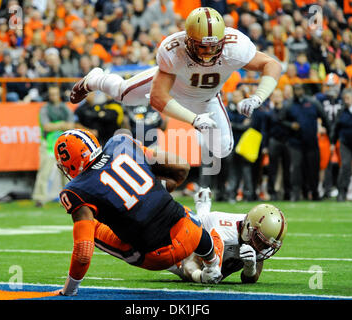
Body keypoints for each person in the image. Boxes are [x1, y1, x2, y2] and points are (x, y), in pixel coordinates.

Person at [69, 7, 281, 161]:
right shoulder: (174, 49)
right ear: (188, 40)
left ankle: (201, 139)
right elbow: (157, 98)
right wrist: (194, 119)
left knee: (223, 149)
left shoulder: (236, 46)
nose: (208, 54)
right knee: (123, 93)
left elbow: (271, 64)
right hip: (172, 86)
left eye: (213, 47)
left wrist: (257, 97)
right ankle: (95, 78)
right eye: (201, 47)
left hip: (206, 99)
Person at [54, 129, 224, 296]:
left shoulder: (75, 190)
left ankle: (183, 268)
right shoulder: (120, 142)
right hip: (191, 232)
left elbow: (83, 253)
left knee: (94, 230)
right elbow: (180, 166)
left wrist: (69, 289)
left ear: (70, 163)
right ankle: (212, 263)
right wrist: (149, 192)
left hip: (157, 257)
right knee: (181, 213)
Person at [168, 200, 288, 284]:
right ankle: (202, 208)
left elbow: (250, 279)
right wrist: (200, 276)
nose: (263, 248)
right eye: (260, 241)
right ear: (248, 228)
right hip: (192, 231)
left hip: (213, 228)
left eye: (267, 245)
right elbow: (189, 265)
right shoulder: (222, 232)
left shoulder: (261, 236)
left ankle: (203, 207)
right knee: (168, 262)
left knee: (215, 273)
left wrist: (250, 269)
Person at [282, 83, 331, 201]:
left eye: (299, 89)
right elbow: (280, 119)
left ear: (303, 90)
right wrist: (290, 125)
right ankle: (296, 193)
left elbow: (324, 117)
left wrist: (328, 132)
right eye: (295, 89)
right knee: (296, 168)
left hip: (311, 141)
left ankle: (314, 193)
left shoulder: (313, 103)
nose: (298, 91)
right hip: (295, 142)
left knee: (313, 168)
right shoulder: (289, 104)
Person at [32, 85, 75, 207]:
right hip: (48, 145)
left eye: (55, 94)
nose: (53, 96)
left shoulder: (64, 108)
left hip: (63, 145)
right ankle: (40, 198)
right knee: (44, 172)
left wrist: (55, 125)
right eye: (51, 94)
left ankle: (68, 198)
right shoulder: (45, 109)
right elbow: (46, 126)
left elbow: (71, 125)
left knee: (66, 174)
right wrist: (62, 124)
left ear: (59, 95)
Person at [266, 89, 291, 201]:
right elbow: (265, 130)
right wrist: (265, 145)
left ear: (282, 97)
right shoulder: (269, 112)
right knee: (272, 168)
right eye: (275, 96)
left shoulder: (287, 111)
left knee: (287, 168)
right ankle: (272, 192)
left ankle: (288, 192)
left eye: (278, 96)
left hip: (286, 141)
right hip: (274, 140)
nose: (277, 98)